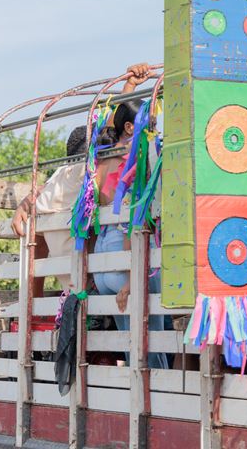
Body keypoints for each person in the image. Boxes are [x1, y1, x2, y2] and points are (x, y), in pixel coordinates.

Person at [12, 63, 153, 293]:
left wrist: (24, 205)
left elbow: (111, 125)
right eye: (148, 125)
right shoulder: (93, 168)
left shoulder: (63, 179)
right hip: (100, 268)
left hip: (90, 274)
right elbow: (112, 125)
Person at [93, 100, 168, 370]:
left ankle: (140, 402)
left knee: (130, 343)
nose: (155, 131)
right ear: (130, 127)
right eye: (152, 125)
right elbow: (131, 219)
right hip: (128, 258)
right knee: (153, 342)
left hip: (103, 260)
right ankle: (163, 404)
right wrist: (131, 276)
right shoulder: (137, 157)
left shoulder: (101, 157)